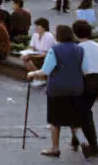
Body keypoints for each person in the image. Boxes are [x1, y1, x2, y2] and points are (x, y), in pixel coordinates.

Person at [26, 25, 88, 158]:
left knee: (55, 120)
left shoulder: (54, 50)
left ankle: (55, 148)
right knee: (75, 120)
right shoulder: (80, 49)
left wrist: (32, 73)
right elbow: (84, 69)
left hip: (57, 88)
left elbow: (45, 71)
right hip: (76, 88)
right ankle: (84, 143)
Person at [70, 19, 98, 158]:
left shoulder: (77, 48)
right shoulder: (97, 46)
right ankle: (76, 141)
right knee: (83, 110)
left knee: (81, 113)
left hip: (81, 81)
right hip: (95, 81)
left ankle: (91, 145)